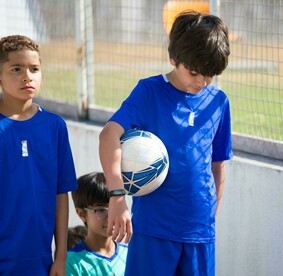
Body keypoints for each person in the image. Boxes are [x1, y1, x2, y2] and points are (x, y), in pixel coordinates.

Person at [99, 10, 232, 275]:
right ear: (173, 58)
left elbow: (218, 166)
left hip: (200, 232)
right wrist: (116, 196)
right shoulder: (149, 92)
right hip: (153, 228)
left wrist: (209, 216)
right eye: (194, 72)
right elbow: (109, 134)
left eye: (209, 75)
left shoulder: (218, 102)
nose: (201, 82)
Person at [0, 35, 78, 275]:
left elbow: (60, 193)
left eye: (34, 69)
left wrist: (61, 256)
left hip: (40, 261)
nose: (27, 76)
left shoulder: (55, 127)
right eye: (16, 69)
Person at [66, 172, 128, 276]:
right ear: (82, 214)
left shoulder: (130, 254)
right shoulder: (71, 263)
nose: (111, 216)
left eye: (114, 207)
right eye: (101, 210)